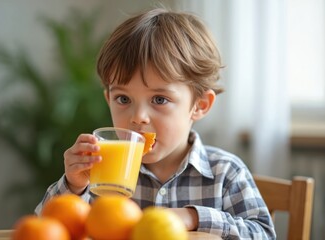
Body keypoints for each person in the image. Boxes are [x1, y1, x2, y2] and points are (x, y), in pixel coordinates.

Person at [35, 8, 276, 239]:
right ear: (108, 99)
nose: (138, 117)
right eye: (123, 99)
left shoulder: (225, 173)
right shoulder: (103, 172)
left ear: (199, 105)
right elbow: (47, 231)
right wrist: (73, 186)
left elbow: (263, 234)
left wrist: (194, 217)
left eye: (160, 99)